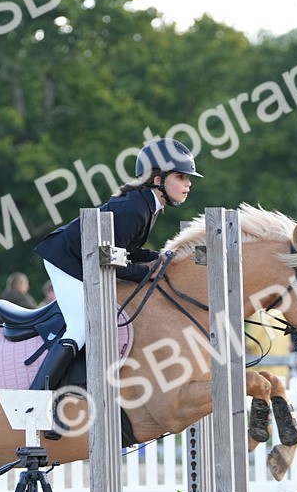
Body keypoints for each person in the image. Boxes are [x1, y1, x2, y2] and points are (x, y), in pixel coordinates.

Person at [30, 137, 198, 391]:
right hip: (65, 261)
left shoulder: (147, 205)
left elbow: (127, 250)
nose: (188, 184)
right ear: (157, 180)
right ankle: (38, 396)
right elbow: (111, 259)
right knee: (81, 327)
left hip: (88, 259)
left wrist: (158, 257)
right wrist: (146, 272)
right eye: (181, 177)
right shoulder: (136, 209)